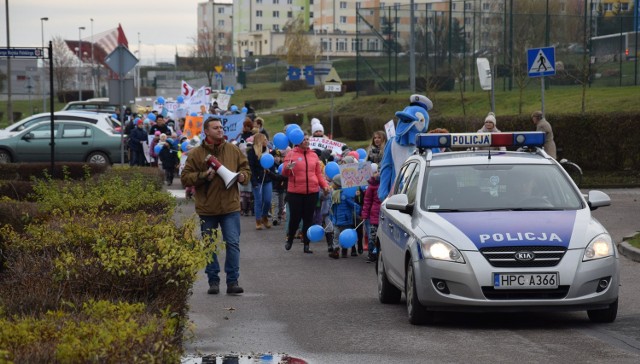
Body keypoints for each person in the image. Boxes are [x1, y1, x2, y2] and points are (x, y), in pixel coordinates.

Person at [180, 116, 251, 295]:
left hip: (230, 207)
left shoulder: (233, 150)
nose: (220, 130)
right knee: (210, 245)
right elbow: (185, 178)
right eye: (215, 128)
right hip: (208, 208)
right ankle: (213, 281)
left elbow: (245, 169)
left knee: (233, 244)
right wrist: (204, 176)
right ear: (206, 131)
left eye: (221, 127)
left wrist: (243, 176)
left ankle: (232, 281)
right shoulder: (196, 154)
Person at [281, 132, 330, 254]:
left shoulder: (313, 155)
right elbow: (283, 173)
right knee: (295, 218)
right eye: (304, 139)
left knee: (309, 219)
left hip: (312, 192)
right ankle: (290, 238)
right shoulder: (291, 154)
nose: (306, 141)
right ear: (298, 141)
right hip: (295, 192)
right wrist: (288, 168)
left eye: (308, 139)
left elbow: (318, 174)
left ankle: (306, 244)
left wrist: (324, 185)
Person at [379, 94, 431, 201]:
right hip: (396, 195)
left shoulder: (428, 144)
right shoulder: (392, 143)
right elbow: (386, 167)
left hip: (422, 195)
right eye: (404, 121)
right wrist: (383, 192)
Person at [246, 133, 275, 230]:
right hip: (257, 180)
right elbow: (251, 168)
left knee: (267, 200)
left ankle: (264, 216)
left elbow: (272, 165)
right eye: (265, 139)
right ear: (259, 141)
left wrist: (269, 170)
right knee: (259, 201)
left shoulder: (268, 151)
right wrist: (254, 182)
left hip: (267, 179)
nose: (267, 141)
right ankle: (258, 221)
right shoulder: (251, 152)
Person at [329, 174, 361, 259]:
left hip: (345, 220)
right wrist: (331, 217)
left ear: (338, 184)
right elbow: (332, 207)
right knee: (336, 235)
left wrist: (359, 211)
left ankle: (344, 251)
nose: (332, 185)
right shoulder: (333, 194)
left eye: (334, 183)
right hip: (336, 220)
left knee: (345, 235)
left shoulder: (345, 195)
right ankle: (336, 250)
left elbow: (352, 205)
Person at [361, 165, 381, 262]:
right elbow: (367, 201)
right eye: (376, 172)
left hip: (383, 215)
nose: (378, 173)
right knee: (372, 236)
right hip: (373, 216)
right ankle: (371, 254)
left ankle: (379, 254)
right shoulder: (372, 186)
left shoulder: (388, 184)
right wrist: (365, 215)